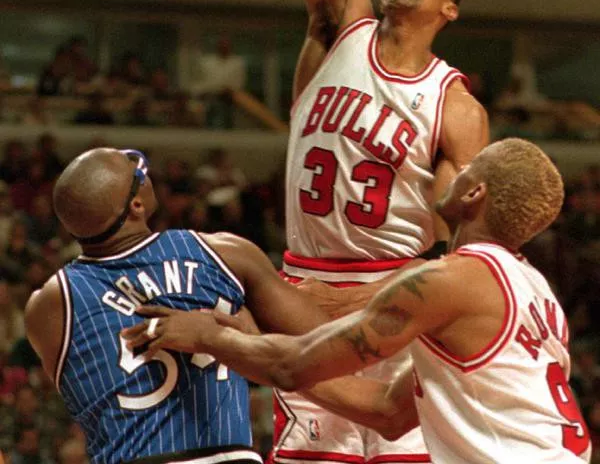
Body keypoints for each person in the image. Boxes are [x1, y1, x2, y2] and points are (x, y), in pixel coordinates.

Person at [262, 0, 489, 464]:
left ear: (448, 7)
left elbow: (466, 239)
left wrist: (402, 297)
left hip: (393, 309)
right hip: (303, 296)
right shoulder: (340, 28)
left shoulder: (454, 104)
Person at [126, 138, 592, 464]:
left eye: (467, 167)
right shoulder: (534, 292)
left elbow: (294, 365)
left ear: (475, 191)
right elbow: (386, 412)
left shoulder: (452, 281)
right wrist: (252, 338)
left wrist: (211, 336)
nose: (450, 171)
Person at [25, 148, 423, 464]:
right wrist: (253, 338)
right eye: (138, 173)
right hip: (227, 455)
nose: (144, 169)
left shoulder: (48, 306)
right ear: (136, 207)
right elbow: (329, 347)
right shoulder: (224, 254)